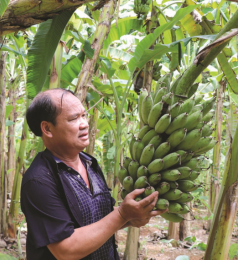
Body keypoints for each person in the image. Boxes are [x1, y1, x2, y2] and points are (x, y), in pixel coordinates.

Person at [21, 88, 167, 260]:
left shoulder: (89, 163)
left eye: (83, 115)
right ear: (47, 128)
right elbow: (65, 249)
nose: (84, 123)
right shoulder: (39, 181)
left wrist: (131, 218)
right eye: (74, 118)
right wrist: (121, 215)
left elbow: (99, 217)